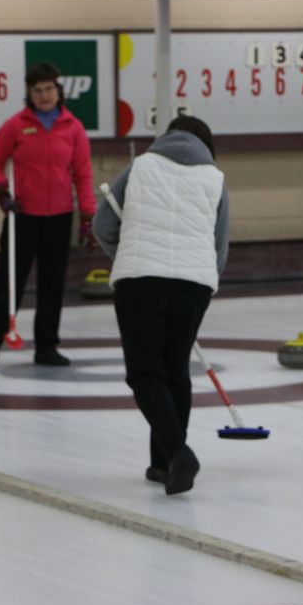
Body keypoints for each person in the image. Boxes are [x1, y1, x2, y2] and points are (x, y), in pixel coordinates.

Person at [94, 116, 230, 495]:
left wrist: (128, 255)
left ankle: (178, 454)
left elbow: (102, 224)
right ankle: (163, 463)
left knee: (146, 373)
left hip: (140, 280)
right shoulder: (215, 178)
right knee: (175, 372)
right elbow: (219, 246)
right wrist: (202, 278)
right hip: (194, 284)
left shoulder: (141, 166)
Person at [0, 62, 96, 369]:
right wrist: (1, 191)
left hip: (60, 217)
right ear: (30, 93)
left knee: (52, 284)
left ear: (59, 90)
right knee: (8, 283)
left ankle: (47, 347)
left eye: (49, 89)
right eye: (37, 90)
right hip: (22, 216)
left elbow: (83, 173)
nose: (44, 95)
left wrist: (88, 216)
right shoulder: (16, 125)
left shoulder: (73, 128)